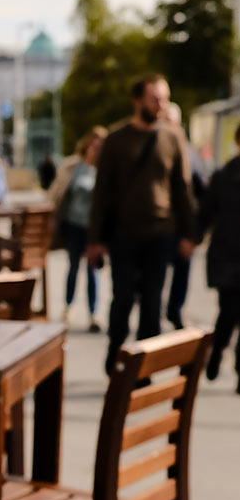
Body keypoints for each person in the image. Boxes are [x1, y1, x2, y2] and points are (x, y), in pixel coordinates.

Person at [86, 74, 198, 376]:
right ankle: (115, 354)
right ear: (138, 100)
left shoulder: (173, 137)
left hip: (161, 234)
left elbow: (182, 189)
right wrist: (95, 240)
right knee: (122, 298)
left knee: (152, 303)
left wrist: (190, 234)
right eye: (154, 98)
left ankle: (142, 368)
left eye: (164, 98)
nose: (161, 104)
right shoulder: (116, 138)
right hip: (124, 235)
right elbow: (102, 192)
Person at [48, 127, 106, 330]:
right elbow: (57, 192)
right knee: (73, 267)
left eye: (100, 147)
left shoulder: (105, 169)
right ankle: (68, 306)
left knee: (92, 271)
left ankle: (93, 314)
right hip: (73, 224)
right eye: (94, 145)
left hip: (93, 229)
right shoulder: (73, 166)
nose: (96, 150)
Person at [201, 121, 240, 388]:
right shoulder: (224, 175)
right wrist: (190, 239)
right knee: (228, 313)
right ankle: (216, 350)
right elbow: (206, 213)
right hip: (228, 256)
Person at [163, 102, 207, 329]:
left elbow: (201, 192)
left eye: (170, 120)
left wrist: (195, 233)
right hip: (158, 226)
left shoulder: (190, 153)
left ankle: (174, 309)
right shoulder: (152, 149)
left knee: (181, 271)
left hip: (182, 227)